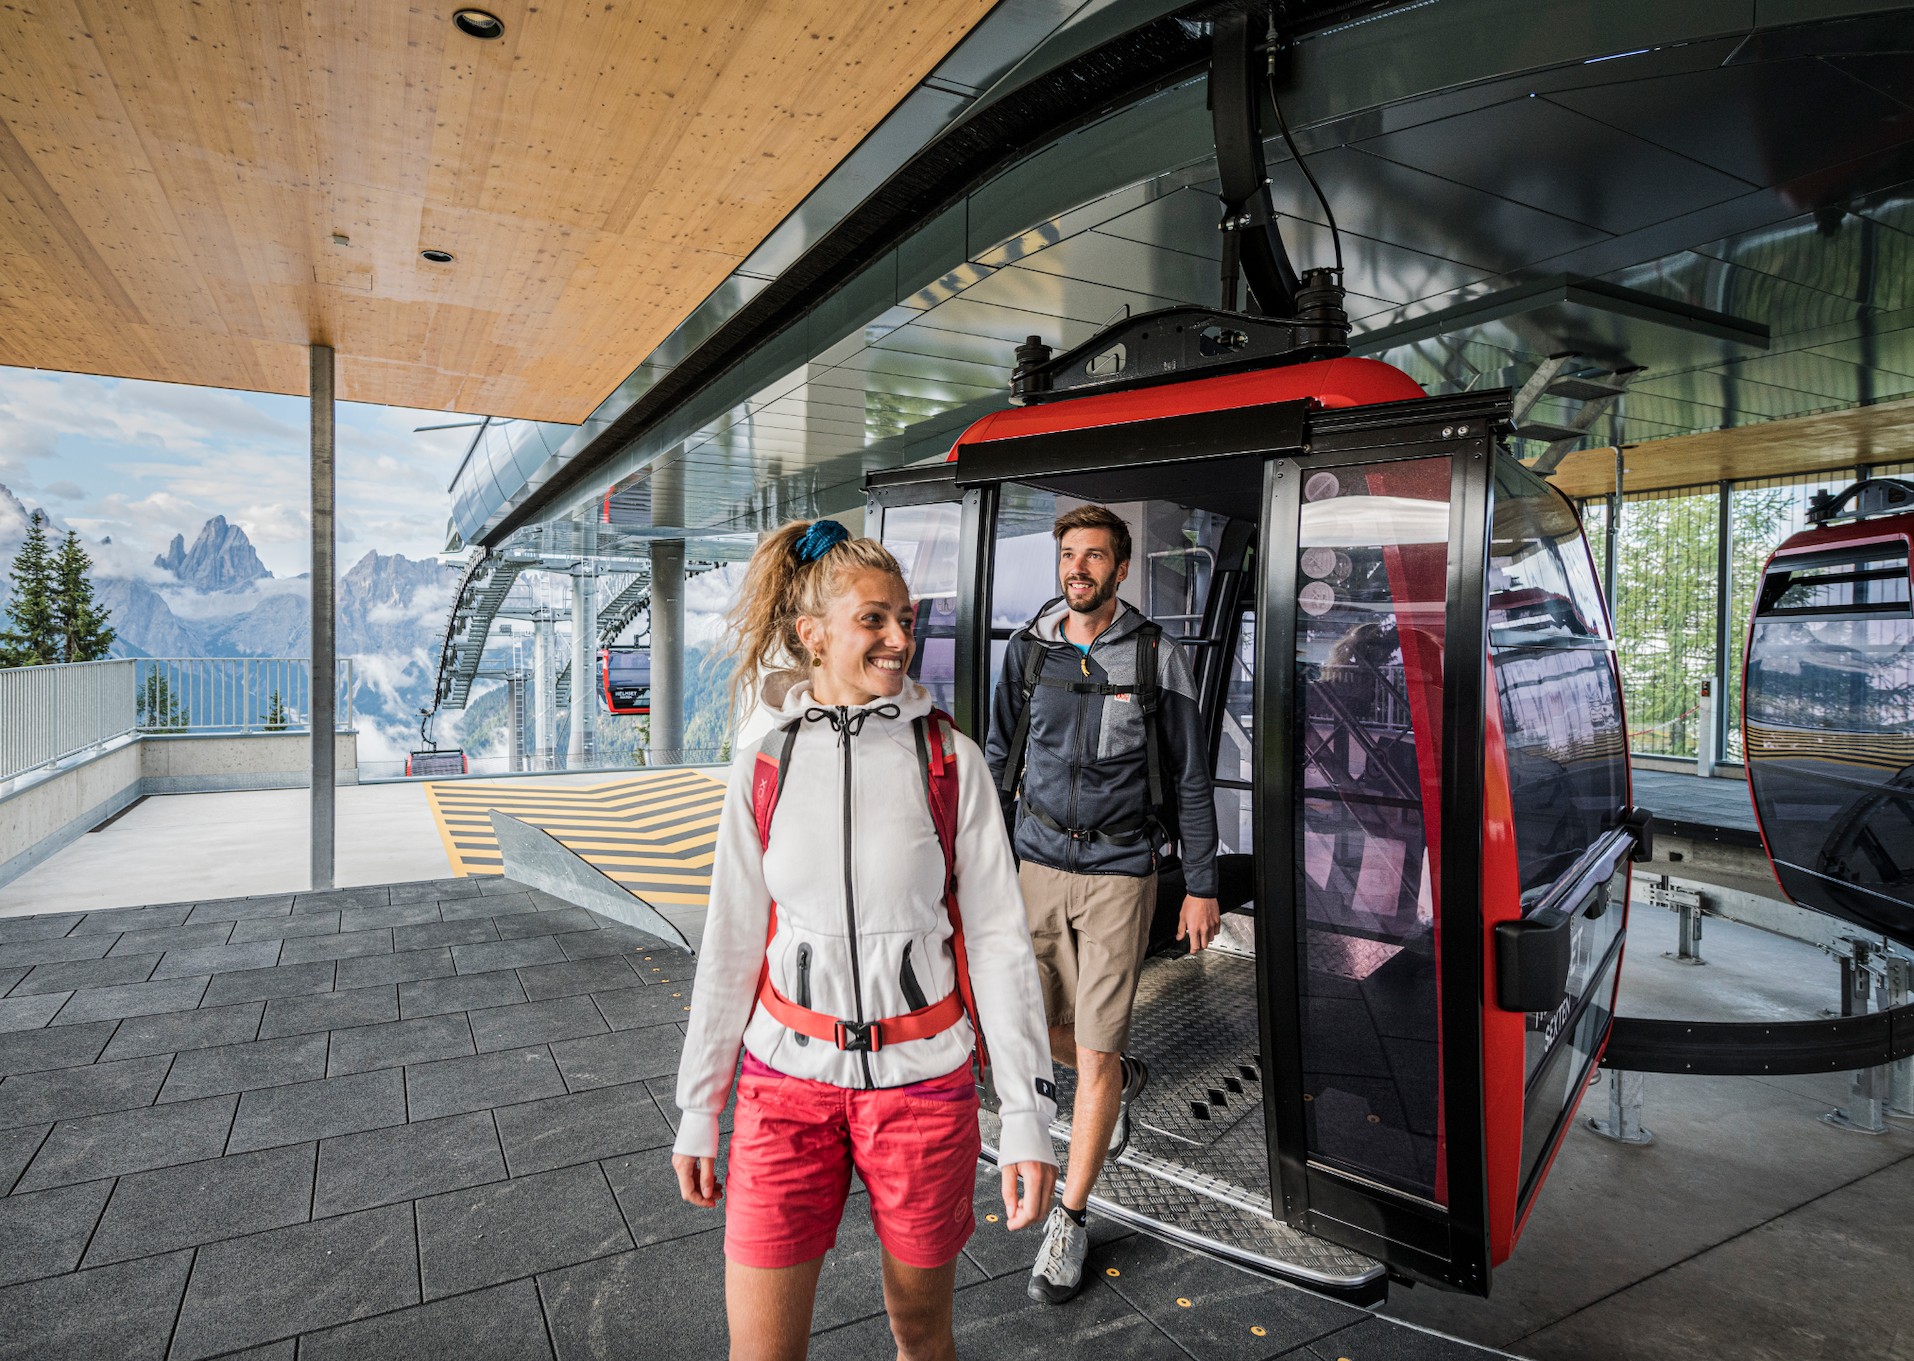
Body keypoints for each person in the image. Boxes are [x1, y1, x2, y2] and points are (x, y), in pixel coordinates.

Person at [673, 518, 1059, 1361]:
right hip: (783, 1089)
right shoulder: (765, 761)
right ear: (812, 633)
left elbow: (999, 942)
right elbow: (731, 940)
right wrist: (700, 1105)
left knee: (921, 1336)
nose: (899, 639)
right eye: (874, 619)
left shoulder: (950, 760)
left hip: (922, 1087)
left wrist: (1029, 1112)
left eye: (905, 619)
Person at [985, 503, 1220, 1305]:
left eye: (1093, 556)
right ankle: (1118, 1076)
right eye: (1068, 555)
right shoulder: (1029, 651)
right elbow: (998, 760)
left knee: (1091, 1050)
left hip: (1122, 873)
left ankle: (1072, 1215)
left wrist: (1202, 883)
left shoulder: (1155, 655)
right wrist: (982, 869)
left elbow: (1191, 777)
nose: (1077, 568)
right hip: (1035, 863)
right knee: (1018, 1028)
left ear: (1120, 569)